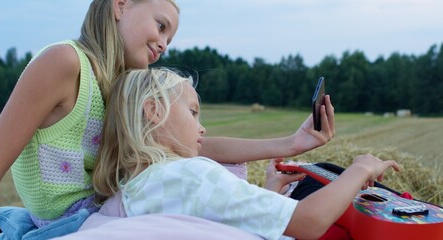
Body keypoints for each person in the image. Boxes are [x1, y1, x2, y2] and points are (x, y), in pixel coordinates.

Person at [0, 0, 336, 239]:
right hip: (72, 226)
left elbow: (187, 146)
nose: (164, 44)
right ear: (121, 5)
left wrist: (291, 144)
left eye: (170, 37)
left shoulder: (117, 84)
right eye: (161, 25)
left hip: (104, 216)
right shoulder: (64, 62)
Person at [93, 67, 400, 240]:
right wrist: (359, 170)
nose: (202, 129)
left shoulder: (132, 189)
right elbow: (308, 223)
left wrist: (271, 189)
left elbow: (215, 227)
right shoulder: (192, 174)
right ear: (154, 111)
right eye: (193, 112)